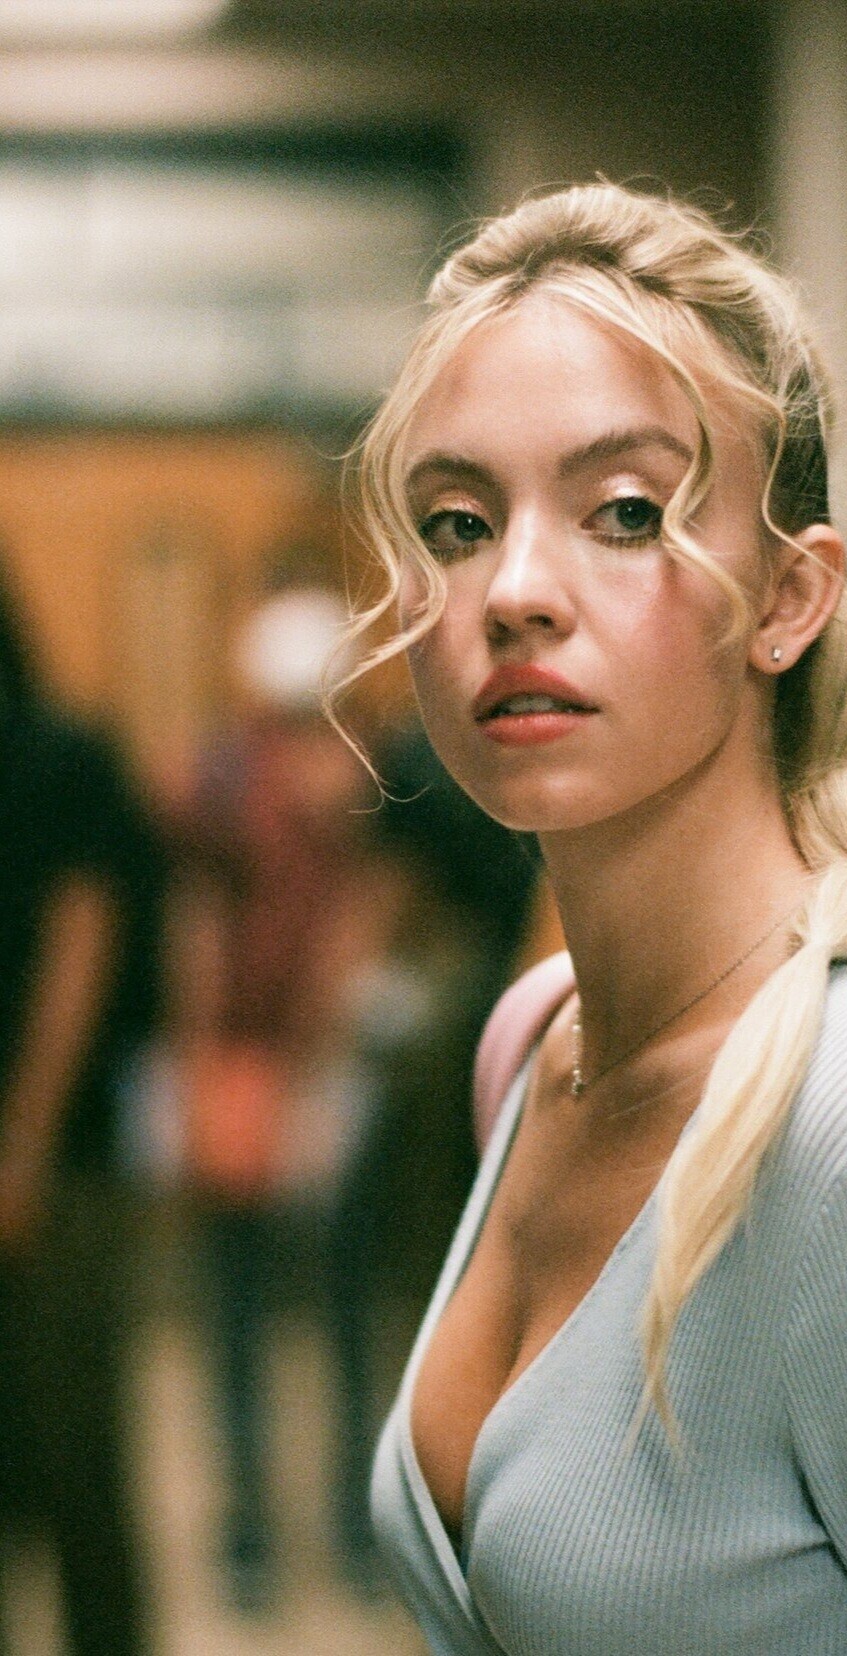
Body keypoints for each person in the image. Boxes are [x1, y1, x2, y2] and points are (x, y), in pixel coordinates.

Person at [341, 183, 847, 1654]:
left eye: (625, 513)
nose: (514, 589)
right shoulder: (542, 1047)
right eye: (458, 524)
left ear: (786, 599)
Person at [173, 581, 403, 1611]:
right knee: (240, 1309)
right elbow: (199, 926)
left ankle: (348, 1525)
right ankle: (254, 1531)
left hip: (326, 1071)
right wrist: (195, 1067)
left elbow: (370, 918)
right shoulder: (224, 780)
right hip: (244, 1066)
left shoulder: (367, 784)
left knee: (344, 1307)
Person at [0, 570, 164, 1655]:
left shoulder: (60, 757)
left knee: (76, 1470)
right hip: (46, 1161)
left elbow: (82, 945)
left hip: (61, 1172)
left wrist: (23, 1148)